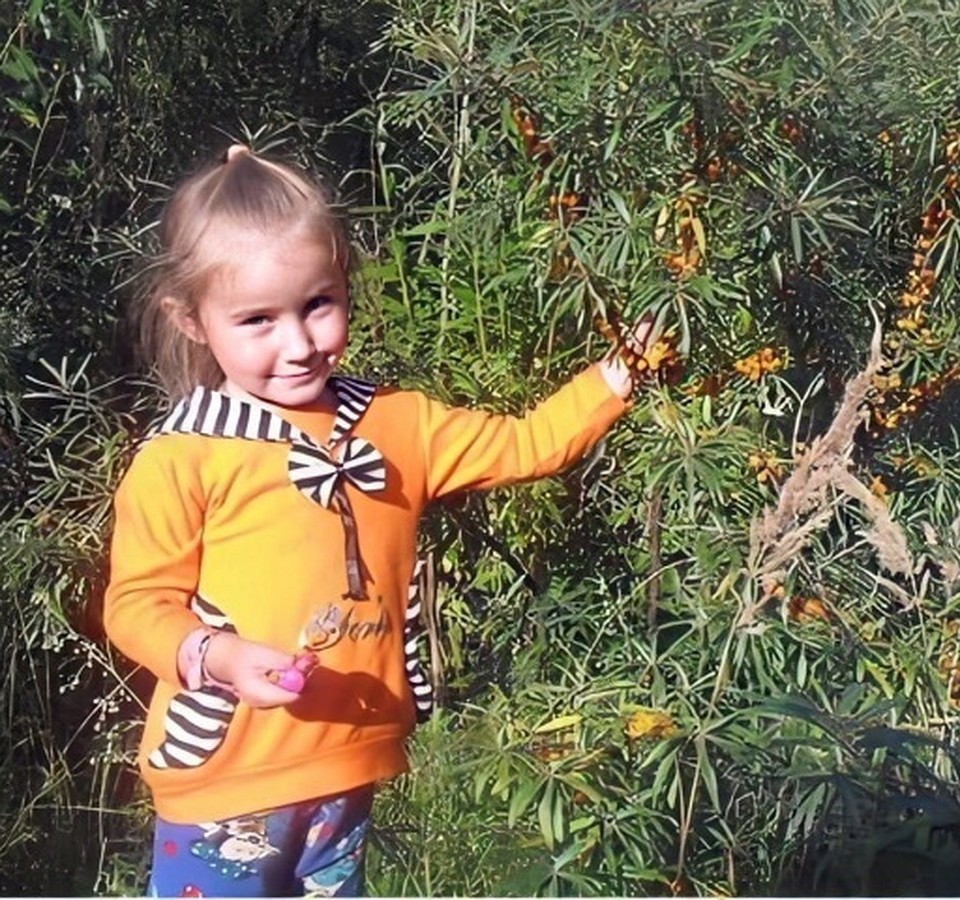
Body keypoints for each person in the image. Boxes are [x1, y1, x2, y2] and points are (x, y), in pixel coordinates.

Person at [104, 143, 644, 897]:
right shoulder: (184, 456)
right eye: (257, 319)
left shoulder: (396, 422)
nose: (298, 344)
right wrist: (217, 656)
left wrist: (621, 372)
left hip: (349, 762)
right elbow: (137, 605)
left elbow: (526, 443)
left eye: (318, 304)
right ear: (189, 320)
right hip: (226, 777)